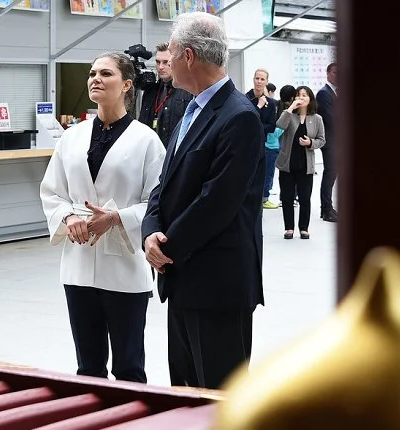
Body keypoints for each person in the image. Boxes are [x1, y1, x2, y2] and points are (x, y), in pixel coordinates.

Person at [141, 12, 265, 390]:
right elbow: (164, 183)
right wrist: (150, 232)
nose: (165, 64)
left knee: (218, 397)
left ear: (189, 56)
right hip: (181, 278)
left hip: (217, 285)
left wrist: (167, 247)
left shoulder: (238, 116)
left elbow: (217, 202)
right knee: (184, 391)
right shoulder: (190, 111)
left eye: (171, 54)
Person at [40, 51, 166, 383]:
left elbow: (158, 202)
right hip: (79, 266)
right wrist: (68, 218)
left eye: (105, 74)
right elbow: (52, 191)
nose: (96, 78)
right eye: (92, 73)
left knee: (128, 367)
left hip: (124, 267)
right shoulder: (72, 136)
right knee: (88, 368)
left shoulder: (146, 140)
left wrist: (115, 218)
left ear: (126, 84)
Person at [275, 86, 325, 240]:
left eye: (304, 95)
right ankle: (289, 228)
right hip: (287, 163)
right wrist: (290, 108)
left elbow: (322, 140)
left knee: (304, 198)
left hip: (305, 165)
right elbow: (280, 125)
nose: (301, 97)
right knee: (287, 198)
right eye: (298, 95)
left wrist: (310, 142)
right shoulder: (290, 115)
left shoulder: (317, 119)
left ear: (310, 99)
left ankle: (304, 228)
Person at [138, 42, 194, 147]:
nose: (160, 67)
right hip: (152, 153)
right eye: (158, 62)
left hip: (175, 153)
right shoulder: (150, 91)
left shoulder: (189, 91)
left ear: (176, 62)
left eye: (165, 62)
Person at [245, 68, 277, 209]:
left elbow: (271, 126)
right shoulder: (245, 99)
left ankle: (261, 201)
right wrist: (258, 107)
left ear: (266, 82)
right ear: (253, 79)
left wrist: (257, 126)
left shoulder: (271, 103)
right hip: (245, 144)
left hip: (262, 145)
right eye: (257, 78)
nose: (259, 81)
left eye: (262, 79)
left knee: (262, 176)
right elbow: (246, 123)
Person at [317, 62, 338, 222]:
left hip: (337, 142)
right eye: (335, 72)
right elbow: (331, 119)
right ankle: (326, 210)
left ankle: (328, 208)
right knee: (329, 174)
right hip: (330, 141)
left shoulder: (337, 93)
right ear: (328, 73)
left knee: (332, 174)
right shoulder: (324, 93)